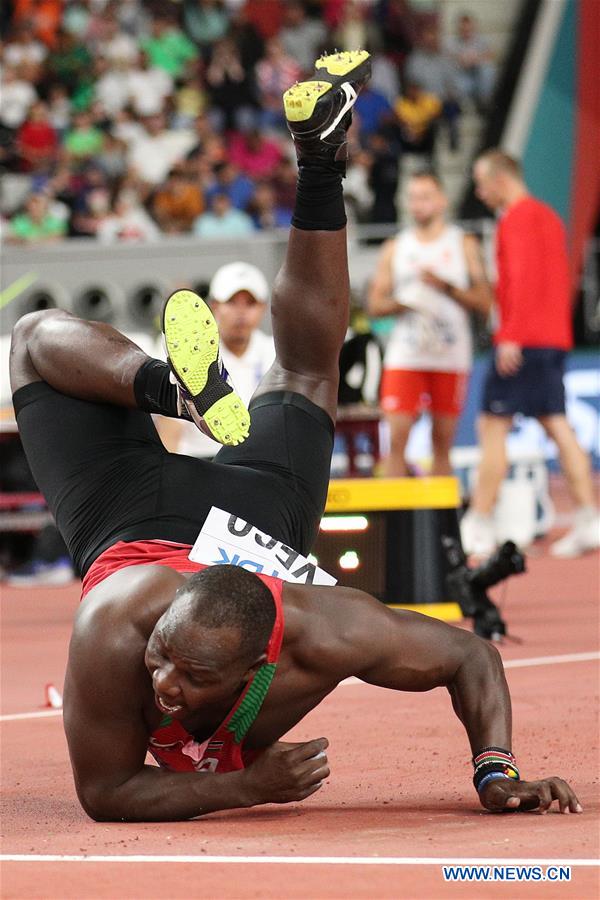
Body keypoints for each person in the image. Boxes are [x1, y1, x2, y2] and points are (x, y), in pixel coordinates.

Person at [10, 53, 579, 822]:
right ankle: (184, 369)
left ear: (264, 662)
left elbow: (470, 653)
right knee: (288, 371)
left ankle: (315, 161)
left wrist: (496, 772)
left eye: (190, 674)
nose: (163, 683)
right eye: (164, 655)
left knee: (48, 343)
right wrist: (241, 786)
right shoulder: (118, 627)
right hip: (137, 533)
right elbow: (105, 792)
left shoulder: (324, 628)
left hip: (228, 529)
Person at [461, 150, 600, 558]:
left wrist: (510, 335)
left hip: (522, 340)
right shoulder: (550, 217)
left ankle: (479, 523)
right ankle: (590, 515)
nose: (479, 192)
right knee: (558, 425)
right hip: (553, 338)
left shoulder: (516, 219)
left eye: (482, 182)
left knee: (492, 426)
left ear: (501, 179)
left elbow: (518, 279)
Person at [368, 170, 492, 476]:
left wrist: (445, 286)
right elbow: (374, 304)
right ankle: (394, 520)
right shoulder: (396, 247)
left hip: (449, 355)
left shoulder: (462, 244)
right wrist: (404, 303)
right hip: (407, 354)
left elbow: (485, 301)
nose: (417, 205)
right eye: (412, 198)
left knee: (443, 443)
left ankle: (442, 522)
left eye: (425, 197)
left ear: (441, 201)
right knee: (396, 440)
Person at [158, 262, 275, 457]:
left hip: (257, 464)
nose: (241, 312)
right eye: (231, 302)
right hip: (199, 464)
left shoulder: (274, 352)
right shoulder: (187, 355)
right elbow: (170, 430)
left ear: (263, 308)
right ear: (214, 306)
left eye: (250, 303)